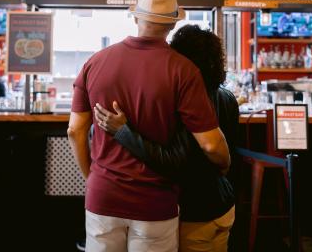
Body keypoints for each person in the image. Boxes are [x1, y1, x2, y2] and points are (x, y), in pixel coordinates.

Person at [68, 0, 231, 252]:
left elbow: (75, 131)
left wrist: (93, 178)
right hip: (155, 202)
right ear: (172, 25)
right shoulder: (184, 71)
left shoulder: (94, 63)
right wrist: (225, 165)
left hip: (103, 196)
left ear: (135, 17)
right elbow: (211, 144)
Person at [94, 25, 239, 252]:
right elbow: (226, 153)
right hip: (222, 205)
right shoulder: (228, 98)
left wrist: (124, 132)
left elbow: (175, 161)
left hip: (194, 211)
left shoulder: (186, 104)